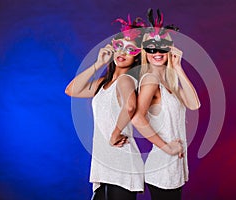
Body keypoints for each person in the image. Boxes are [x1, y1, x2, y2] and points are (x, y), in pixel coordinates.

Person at [65, 15, 145, 200]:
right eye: (119, 46)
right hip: (104, 162)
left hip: (121, 161)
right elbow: (71, 90)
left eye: (130, 49)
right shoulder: (104, 83)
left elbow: (131, 106)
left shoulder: (126, 80)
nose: (123, 52)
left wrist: (116, 133)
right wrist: (98, 63)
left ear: (137, 56)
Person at [131, 9, 200, 200]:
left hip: (173, 168)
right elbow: (137, 117)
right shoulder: (150, 80)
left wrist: (178, 68)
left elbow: (194, 104)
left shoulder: (168, 80)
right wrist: (167, 147)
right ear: (145, 51)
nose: (157, 53)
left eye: (163, 48)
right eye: (152, 48)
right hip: (162, 167)